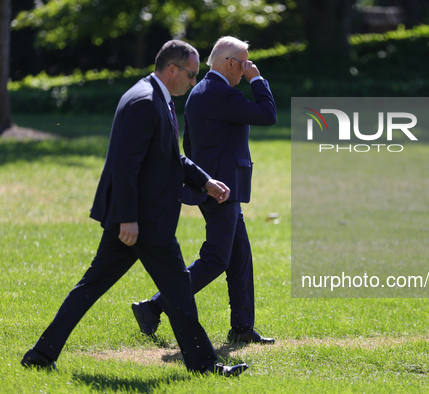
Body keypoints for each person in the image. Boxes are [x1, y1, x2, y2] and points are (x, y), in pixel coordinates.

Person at [20, 40, 248, 377]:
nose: (192, 81)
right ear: (172, 69)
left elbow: (172, 156)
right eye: (190, 74)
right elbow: (125, 167)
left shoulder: (156, 97)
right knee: (180, 295)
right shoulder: (144, 101)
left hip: (139, 220)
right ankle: (206, 366)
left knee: (91, 288)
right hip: (143, 221)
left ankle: (40, 355)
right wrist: (128, 219)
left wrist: (205, 181)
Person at [131, 36, 276, 345]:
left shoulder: (201, 91)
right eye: (244, 63)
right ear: (228, 63)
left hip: (217, 186)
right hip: (219, 189)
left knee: (239, 258)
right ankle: (154, 307)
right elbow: (268, 115)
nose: (246, 69)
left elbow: (189, 144)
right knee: (216, 259)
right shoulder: (222, 93)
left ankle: (242, 328)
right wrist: (258, 79)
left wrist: (197, 181)